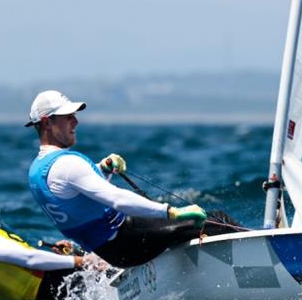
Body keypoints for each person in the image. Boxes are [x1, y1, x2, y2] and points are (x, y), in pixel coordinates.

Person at [25, 90, 234, 269]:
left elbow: (75, 197)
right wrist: (171, 212)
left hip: (114, 252)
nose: (76, 121)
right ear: (47, 123)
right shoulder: (67, 164)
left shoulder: (38, 170)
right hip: (130, 238)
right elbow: (116, 199)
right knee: (215, 219)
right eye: (67, 116)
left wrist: (102, 169)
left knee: (186, 229)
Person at [0, 186, 108, 300]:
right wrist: (81, 260)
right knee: (104, 257)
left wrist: (67, 255)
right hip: (53, 284)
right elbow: (30, 259)